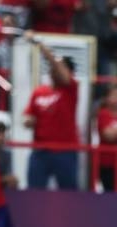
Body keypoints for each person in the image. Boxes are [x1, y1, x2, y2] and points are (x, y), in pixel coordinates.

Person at [23, 36, 79, 191]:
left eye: (61, 67)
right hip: (40, 151)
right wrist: (28, 121)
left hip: (65, 151)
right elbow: (28, 115)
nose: (54, 70)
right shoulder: (39, 92)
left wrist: (41, 46)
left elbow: (63, 74)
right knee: (34, 192)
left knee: (69, 194)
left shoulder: (70, 88)